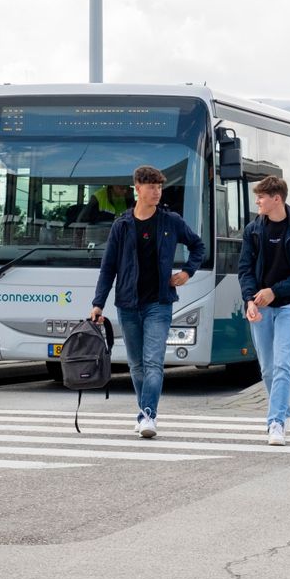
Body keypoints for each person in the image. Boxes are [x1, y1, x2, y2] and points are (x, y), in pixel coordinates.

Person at [90, 166, 205, 439]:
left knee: (153, 361)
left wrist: (187, 272)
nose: (157, 192)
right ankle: (143, 411)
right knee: (136, 364)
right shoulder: (122, 225)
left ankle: (148, 414)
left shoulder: (170, 221)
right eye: (151, 187)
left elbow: (197, 245)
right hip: (128, 304)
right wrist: (98, 304)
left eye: (159, 187)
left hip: (159, 303)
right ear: (137, 189)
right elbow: (108, 268)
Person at [238, 175, 290, 446]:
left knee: (283, 365)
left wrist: (276, 290)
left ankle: (275, 423)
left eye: (261, 197)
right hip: (259, 307)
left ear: (277, 199)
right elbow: (245, 269)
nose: (257, 201)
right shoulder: (253, 230)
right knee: (268, 370)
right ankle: (284, 412)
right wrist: (250, 299)